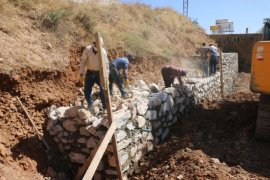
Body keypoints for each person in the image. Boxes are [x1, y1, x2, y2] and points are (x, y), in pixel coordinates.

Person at [79, 38, 108, 109]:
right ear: (93, 43)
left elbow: (106, 65)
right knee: (86, 90)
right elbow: (83, 61)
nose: (97, 46)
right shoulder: (88, 49)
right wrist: (81, 73)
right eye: (95, 44)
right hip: (90, 72)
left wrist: (106, 77)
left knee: (103, 90)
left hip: (99, 73)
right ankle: (90, 104)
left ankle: (104, 106)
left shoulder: (103, 52)